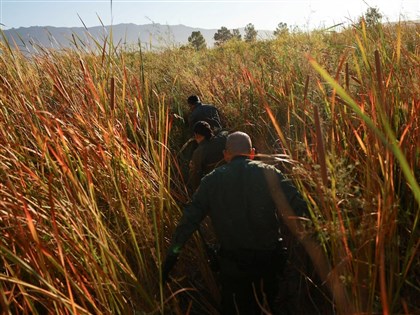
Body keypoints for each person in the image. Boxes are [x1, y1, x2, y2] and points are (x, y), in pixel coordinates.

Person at [162, 131, 311, 315]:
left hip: (233, 270)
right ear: (253, 152)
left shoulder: (211, 181)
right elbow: (302, 210)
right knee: (271, 307)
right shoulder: (270, 173)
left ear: (225, 154)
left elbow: (188, 221)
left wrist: (172, 256)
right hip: (269, 265)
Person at [187, 121, 228, 193]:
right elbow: (225, 131)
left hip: (215, 186)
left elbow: (194, 176)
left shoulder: (199, 152)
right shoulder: (222, 138)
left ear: (196, 135)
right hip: (230, 177)